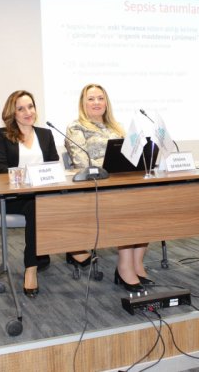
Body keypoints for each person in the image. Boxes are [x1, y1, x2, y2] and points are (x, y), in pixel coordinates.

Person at [65, 83, 152, 292]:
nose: (96, 102)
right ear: (83, 103)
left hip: (123, 182)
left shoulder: (117, 127)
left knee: (148, 205)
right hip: (97, 186)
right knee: (128, 210)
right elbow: (81, 163)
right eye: (91, 98)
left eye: (100, 98)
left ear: (106, 102)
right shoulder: (76, 128)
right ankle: (124, 267)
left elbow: (131, 157)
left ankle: (137, 264)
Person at [0, 90, 59, 298]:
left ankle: (74, 250)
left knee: (66, 201)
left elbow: (54, 164)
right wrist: (30, 177)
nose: (28, 112)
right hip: (12, 197)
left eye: (30, 107)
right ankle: (31, 267)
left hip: (42, 194)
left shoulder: (45, 134)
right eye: (21, 109)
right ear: (13, 114)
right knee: (35, 206)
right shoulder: (3, 135)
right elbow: (0, 170)